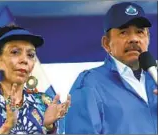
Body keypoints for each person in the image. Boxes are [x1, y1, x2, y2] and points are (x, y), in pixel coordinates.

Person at [65, 2, 157, 134]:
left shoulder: (155, 79)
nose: (134, 39)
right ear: (106, 44)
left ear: (148, 39)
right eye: (124, 32)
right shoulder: (89, 84)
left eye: (140, 32)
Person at [0, 25, 71, 134]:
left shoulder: (45, 103)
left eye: (30, 55)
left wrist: (49, 127)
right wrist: (7, 127)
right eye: (15, 52)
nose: (24, 60)